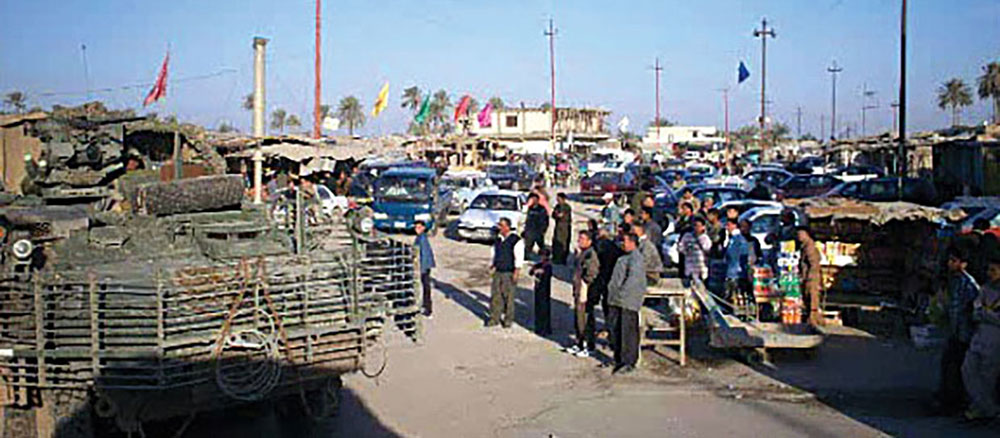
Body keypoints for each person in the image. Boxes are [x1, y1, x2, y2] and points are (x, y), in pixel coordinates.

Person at [932, 247, 980, 413]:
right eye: (950, 260)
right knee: (948, 366)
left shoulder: (969, 284)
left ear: (964, 264)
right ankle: (947, 398)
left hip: (964, 333)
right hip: (954, 331)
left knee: (957, 368)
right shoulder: (954, 281)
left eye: (954, 261)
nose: (950, 264)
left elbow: (972, 311)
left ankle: (955, 401)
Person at [962, 252, 1000, 420]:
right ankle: (986, 408)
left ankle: (983, 409)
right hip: (979, 335)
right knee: (968, 370)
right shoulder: (984, 288)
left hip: (995, 340)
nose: (990, 273)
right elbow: (976, 312)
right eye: (989, 270)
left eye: (994, 270)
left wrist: (986, 313)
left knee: (988, 377)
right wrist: (987, 314)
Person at [607, 233, 647, 375]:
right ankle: (619, 359)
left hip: (627, 301)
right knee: (617, 330)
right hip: (616, 300)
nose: (623, 244)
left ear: (633, 243)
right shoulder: (623, 257)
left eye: (625, 241)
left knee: (628, 332)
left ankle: (628, 361)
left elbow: (633, 281)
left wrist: (621, 295)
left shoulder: (636, 259)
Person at [568, 230, 601, 357]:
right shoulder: (582, 253)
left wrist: (584, 284)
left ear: (589, 241)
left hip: (585, 291)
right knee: (578, 318)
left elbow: (591, 273)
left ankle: (588, 345)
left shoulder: (590, 255)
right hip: (578, 289)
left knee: (585, 318)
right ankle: (579, 343)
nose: (579, 241)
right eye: (579, 238)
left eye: (582, 239)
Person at [488, 218, 524, 328]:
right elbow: (494, 253)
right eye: (499, 225)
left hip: (509, 271)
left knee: (508, 297)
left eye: (502, 225)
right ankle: (495, 318)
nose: (500, 227)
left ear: (508, 227)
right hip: (498, 271)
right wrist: (492, 265)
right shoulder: (497, 240)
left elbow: (519, 257)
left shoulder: (516, 240)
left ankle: (508, 319)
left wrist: (516, 272)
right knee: (496, 296)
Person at [723, 220, 755, 307]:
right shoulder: (734, 239)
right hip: (734, 271)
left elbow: (748, 256)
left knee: (742, 294)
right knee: (733, 295)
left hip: (742, 272)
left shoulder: (746, 240)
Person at [796, 227, 824, 325]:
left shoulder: (809, 246)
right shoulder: (804, 246)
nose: (799, 236)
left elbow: (813, 262)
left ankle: (814, 317)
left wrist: (809, 276)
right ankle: (812, 317)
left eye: (801, 234)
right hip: (808, 275)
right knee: (808, 296)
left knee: (812, 295)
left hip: (811, 276)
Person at [679, 217, 712, 286]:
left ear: (703, 227)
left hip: (701, 267)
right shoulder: (687, 236)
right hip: (689, 266)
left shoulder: (705, 238)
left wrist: (699, 240)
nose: (697, 228)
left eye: (699, 226)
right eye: (695, 225)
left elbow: (707, 249)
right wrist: (687, 251)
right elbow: (681, 247)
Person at [414, 221, 436, 318]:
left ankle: (428, 309)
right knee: (425, 287)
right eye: (416, 227)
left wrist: (422, 269)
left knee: (425, 288)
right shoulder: (420, 237)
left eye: (419, 227)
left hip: (424, 267)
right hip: (425, 266)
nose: (417, 229)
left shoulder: (422, 239)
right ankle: (425, 306)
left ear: (423, 228)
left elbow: (424, 254)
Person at [530, 248, 553, 336]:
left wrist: (539, 271)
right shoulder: (539, 265)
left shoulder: (548, 266)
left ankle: (545, 328)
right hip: (538, 289)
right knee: (538, 308)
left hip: (544, 290)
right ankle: (539, 327)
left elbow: (546, 275)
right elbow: (531, 272)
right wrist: (535, 269)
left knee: (544, 309)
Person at [634, 220, 663, 286]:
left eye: (634, 230)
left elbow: (645, 261)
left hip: (650, 275)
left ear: (640, 230)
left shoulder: (647, 245)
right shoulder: (641, 243)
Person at [523, 193, 549, 259]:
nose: (533, 201)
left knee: (541, 244)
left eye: (534, 199)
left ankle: (544, 256)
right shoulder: (530, 208)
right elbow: (526, 219)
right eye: (532, 199)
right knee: (528, 245)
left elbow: (545, 220)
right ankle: (527, 256)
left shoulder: (541, 209)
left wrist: (543, 229)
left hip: (538, 229)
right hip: (530, 230)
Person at [551, 193, 573, 265]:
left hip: (564, 227)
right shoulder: (557, 206)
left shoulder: (566, 207)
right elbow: (554, 214)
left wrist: (558, 215)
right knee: (556, 241)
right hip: (558, 226)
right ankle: (556, 258)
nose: (557, 200)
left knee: (563, 243)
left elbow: (562, 215)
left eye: (559, 198)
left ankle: (562, 259)